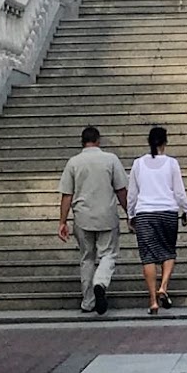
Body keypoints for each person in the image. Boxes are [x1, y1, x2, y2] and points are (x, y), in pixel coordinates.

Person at [57, 125, 128, 315]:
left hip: (82, 217)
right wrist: (130, 213)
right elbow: (121, 190)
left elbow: (67, 194)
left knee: (86, 258)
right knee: (109, 254)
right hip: (107, 215)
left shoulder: (73, 162)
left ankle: (88, 301)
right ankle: (101, 282)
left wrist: (62, 221)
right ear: (98, 140)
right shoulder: (110, 159)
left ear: (82, 142)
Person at [127, 126, 187, 314]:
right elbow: (179, 191)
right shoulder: (172, 163)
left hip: (145, 213)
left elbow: (132, 193)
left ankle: (153, 301)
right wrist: (186, 209)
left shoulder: (138, 164)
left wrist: (131, 214)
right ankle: (163, 286)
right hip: (167, 211)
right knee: (168, 252)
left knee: (147, 256)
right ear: (165, 142)